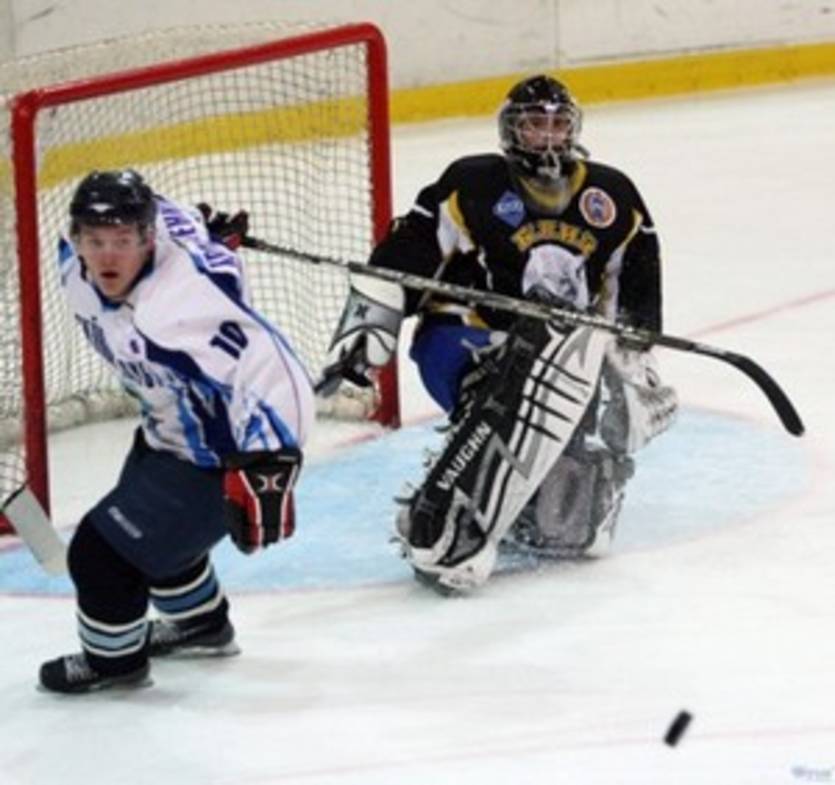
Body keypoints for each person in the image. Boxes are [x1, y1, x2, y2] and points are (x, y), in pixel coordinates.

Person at [325, 75, 678, 594]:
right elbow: (405, 258)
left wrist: (632, 375)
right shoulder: (473, 184)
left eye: (558, 125)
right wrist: (364, 342)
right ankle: (445, 514)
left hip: (564, 357)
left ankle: (523, 499)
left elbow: (632, 302)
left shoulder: (613, 196)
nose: (548, 137)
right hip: (466, 337)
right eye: (535, 124)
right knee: (506, 389)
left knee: (566, 531)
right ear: (512, 130)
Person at [40, 169, 315, 693]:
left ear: (148, 240)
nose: (107, 257)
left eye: (123, 242)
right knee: (159, 546)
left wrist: (270, 463)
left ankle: (114, 665)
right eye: (95, 241)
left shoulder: (178, 306)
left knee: (99, 557)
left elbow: (274, 371)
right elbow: (170, 211)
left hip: (215, 459)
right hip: (166, 431)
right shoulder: (75, 260)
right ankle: (200, 626)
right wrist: (204, 230)